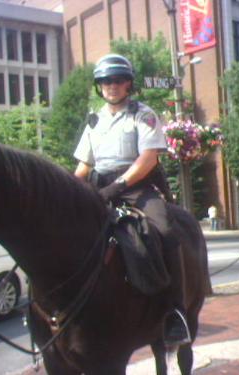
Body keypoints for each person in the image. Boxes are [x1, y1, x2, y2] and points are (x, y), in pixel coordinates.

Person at [73, 53, 191, 346]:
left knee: (164, 230)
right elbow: (83, 167)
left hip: (137, 186)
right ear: (98, 85)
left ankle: (176, 312)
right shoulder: (94, 119)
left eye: (118, 80)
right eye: (105, 81)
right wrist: (70, 191)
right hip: (99, 187)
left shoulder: (144, 113)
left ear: (128, 84)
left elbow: (148, 159)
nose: (111, 85)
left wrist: (118, 186)